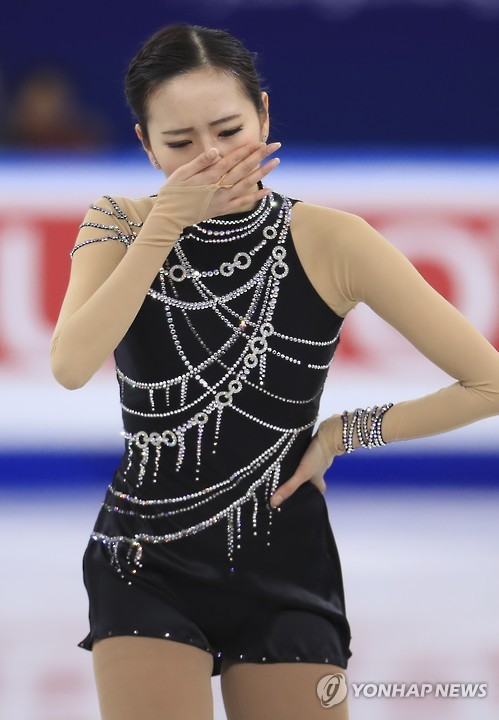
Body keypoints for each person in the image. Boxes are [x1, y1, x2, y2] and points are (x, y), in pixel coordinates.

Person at [50, 23, 499, 720]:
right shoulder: (116, 222)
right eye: (179, 144)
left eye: (228, 130)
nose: (212, 159)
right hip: (144, 559)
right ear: (144, 145)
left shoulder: (331, 239)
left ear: (263, 113)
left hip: (286, 557)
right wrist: (164, 225)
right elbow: (72, 365)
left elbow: (489, 382)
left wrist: (347, 432)